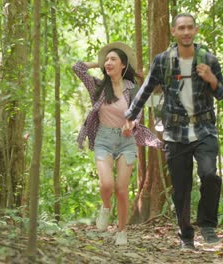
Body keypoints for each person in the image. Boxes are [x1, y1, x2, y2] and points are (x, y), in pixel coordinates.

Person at [124, 13, 223, 250]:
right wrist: (130, 117)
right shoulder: (163, 61)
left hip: (204, 129)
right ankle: (186, 238)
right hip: (175, 132)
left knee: (210, 174)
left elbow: (222, 93)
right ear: (173, 31)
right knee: (181, 189)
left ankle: (208, 225)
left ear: (196, 30)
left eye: (190, 27)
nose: (186, 32)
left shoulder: (208, 59)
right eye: (181, 28)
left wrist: (212, 79)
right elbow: (146, 89)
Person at [72, 42, 162, 246]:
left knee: (121, 189)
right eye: (107, 59)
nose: (109, 62)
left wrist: (131, 124)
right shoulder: (97, 86)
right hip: (103, 139)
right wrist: (100, 61)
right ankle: (105, 207)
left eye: (114, 59)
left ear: (123, 65)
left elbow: (137, 111)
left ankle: (121, 231)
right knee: (107, 185)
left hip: (126, 141)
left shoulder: (132, 88)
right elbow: (77, 67)